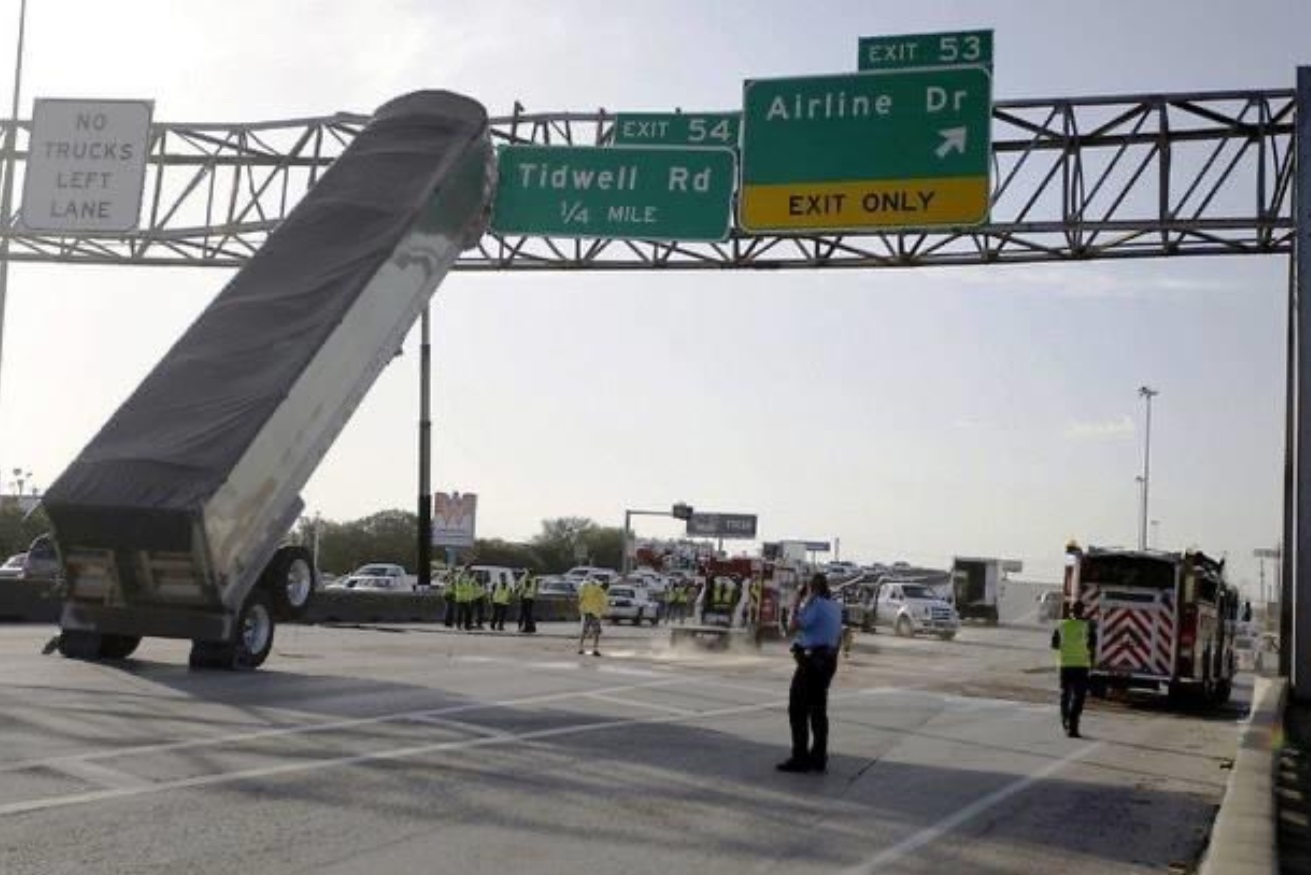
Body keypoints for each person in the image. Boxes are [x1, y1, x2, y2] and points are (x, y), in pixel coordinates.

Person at [777, 573, 843, 774]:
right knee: (818, 711)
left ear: (811, 589)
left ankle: (800, 758)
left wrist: (797, 602)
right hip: (828, 661)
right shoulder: (834, 607)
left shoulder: (815, 604)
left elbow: (792, 627)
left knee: (797, 710)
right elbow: (838, 636)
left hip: (812, 662)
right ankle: (819, 757)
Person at [1051, 599, 1097, 738]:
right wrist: (1092, 663)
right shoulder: (1088, 626)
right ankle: (1073, 725)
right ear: (1083, 610)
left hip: (1065, 665)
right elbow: (1092, 646)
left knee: (1065, 695)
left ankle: (1065, 721)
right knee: (1079, 697)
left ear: (1071, 611)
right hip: (1081, 666)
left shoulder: (1061, 625)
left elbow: (1055, 645)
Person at [578, 576, 607, 656]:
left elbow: (580, 599)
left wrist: (581, 609)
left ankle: (580, 648)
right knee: (596, 632)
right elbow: (603, 602)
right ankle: (595, 649)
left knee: (584, 631)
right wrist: (602, 612)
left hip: (587, 612)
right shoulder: (599, 590)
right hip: (595, 613)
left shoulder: (585, 588)